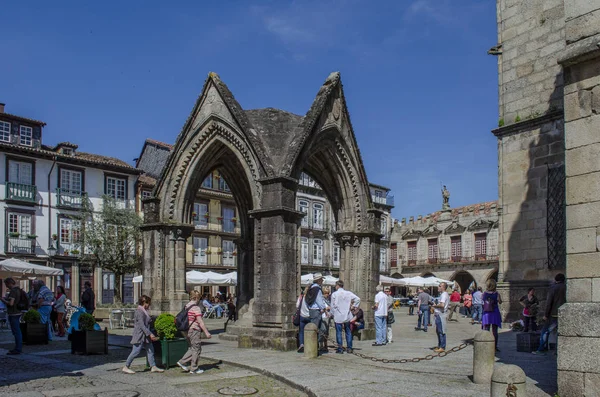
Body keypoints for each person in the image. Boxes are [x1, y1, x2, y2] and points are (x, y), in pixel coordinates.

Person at [122, 295, 164, 374]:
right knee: (136, 351)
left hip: (145, 336)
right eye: (148, 303)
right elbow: (142, 325)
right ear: (145, 303)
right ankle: (126, 366)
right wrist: (150, 334)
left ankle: (153, 366)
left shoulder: (144, 311)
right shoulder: (139, 311)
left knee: (150, 350)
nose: (149, 305)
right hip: (140, 335)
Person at [178, 290, 212, 374]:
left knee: (193, 348)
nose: (199, 300)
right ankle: (192, 367)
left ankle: (186, 363)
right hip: (194, 330)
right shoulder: (196, 308)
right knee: (196, 348)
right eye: (199, 298)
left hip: (187, 330)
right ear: (196, 297)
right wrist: (206, 332)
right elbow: (200, 321)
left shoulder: (187, 305)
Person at [534, 273, 566, 355]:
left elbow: (549, 303)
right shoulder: (566, 287)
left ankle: (541, 349)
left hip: (553, 314)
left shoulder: (553, 288)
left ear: (556, 279)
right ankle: (558, 350)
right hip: (564, 313)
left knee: (545, 331)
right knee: (560, 333)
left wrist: (546, 314)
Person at [330, 280, 360, 354]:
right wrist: (353, 306)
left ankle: (340, 349)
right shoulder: (348, 293)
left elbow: (332, 306)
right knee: (348, 332)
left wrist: (332, 314)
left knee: (339, 332)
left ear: (337, 286)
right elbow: (358, 299)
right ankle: (349, 348)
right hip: (347, 314)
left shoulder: (334, 294)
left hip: (338, 315)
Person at [305, 273, 329, 352]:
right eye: (321, 279)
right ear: (318, 280)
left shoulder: (311, 288)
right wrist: (325, 310)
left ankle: (315, 345)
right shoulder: (317, 289)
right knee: (315, 329)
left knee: (322, 329)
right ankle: (312, 347)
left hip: (314, 311)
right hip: (316, 311)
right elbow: (320, 301)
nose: (322, 280)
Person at [1, 278, 23, 355]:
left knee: (16, 331)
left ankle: (18, 348)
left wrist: (2, 300)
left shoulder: (13, 291)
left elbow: (11, 303)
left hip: (13, 313)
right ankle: (18, 347)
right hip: (18, 312)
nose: (6, 286)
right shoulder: (18, 290)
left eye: (6, 284)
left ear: (10, 283)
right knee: (17, 331)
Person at [481, 279, 502, 352]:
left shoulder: (484, 293)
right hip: (495, 312)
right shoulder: (496, 293)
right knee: (495, 331)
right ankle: (495, 347)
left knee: (486, 329)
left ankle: (486, 345)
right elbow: (500, 302)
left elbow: (482, 301)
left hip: (487, 313)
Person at [433, 282, 449, 353]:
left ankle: (442, 346)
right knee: (438, 330)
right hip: (439, 314)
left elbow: (442, 305)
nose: (438, 287)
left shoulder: (444, 295)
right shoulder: (443, 294)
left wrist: (435, 305)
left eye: (440, 286)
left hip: (441, 315)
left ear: (443, 287)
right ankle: (440, 345)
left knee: (441, 331)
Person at [319, 287, 333, 353]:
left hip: (327, 317)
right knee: (322, 331)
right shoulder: (321, 299)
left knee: (326, 332)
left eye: (328, 293)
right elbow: (321, 308)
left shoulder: (328, 300)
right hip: (322, 316)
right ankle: (321, 345)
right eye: (326, 293)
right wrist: (326, 308)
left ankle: (325, 345)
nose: (327, 294)